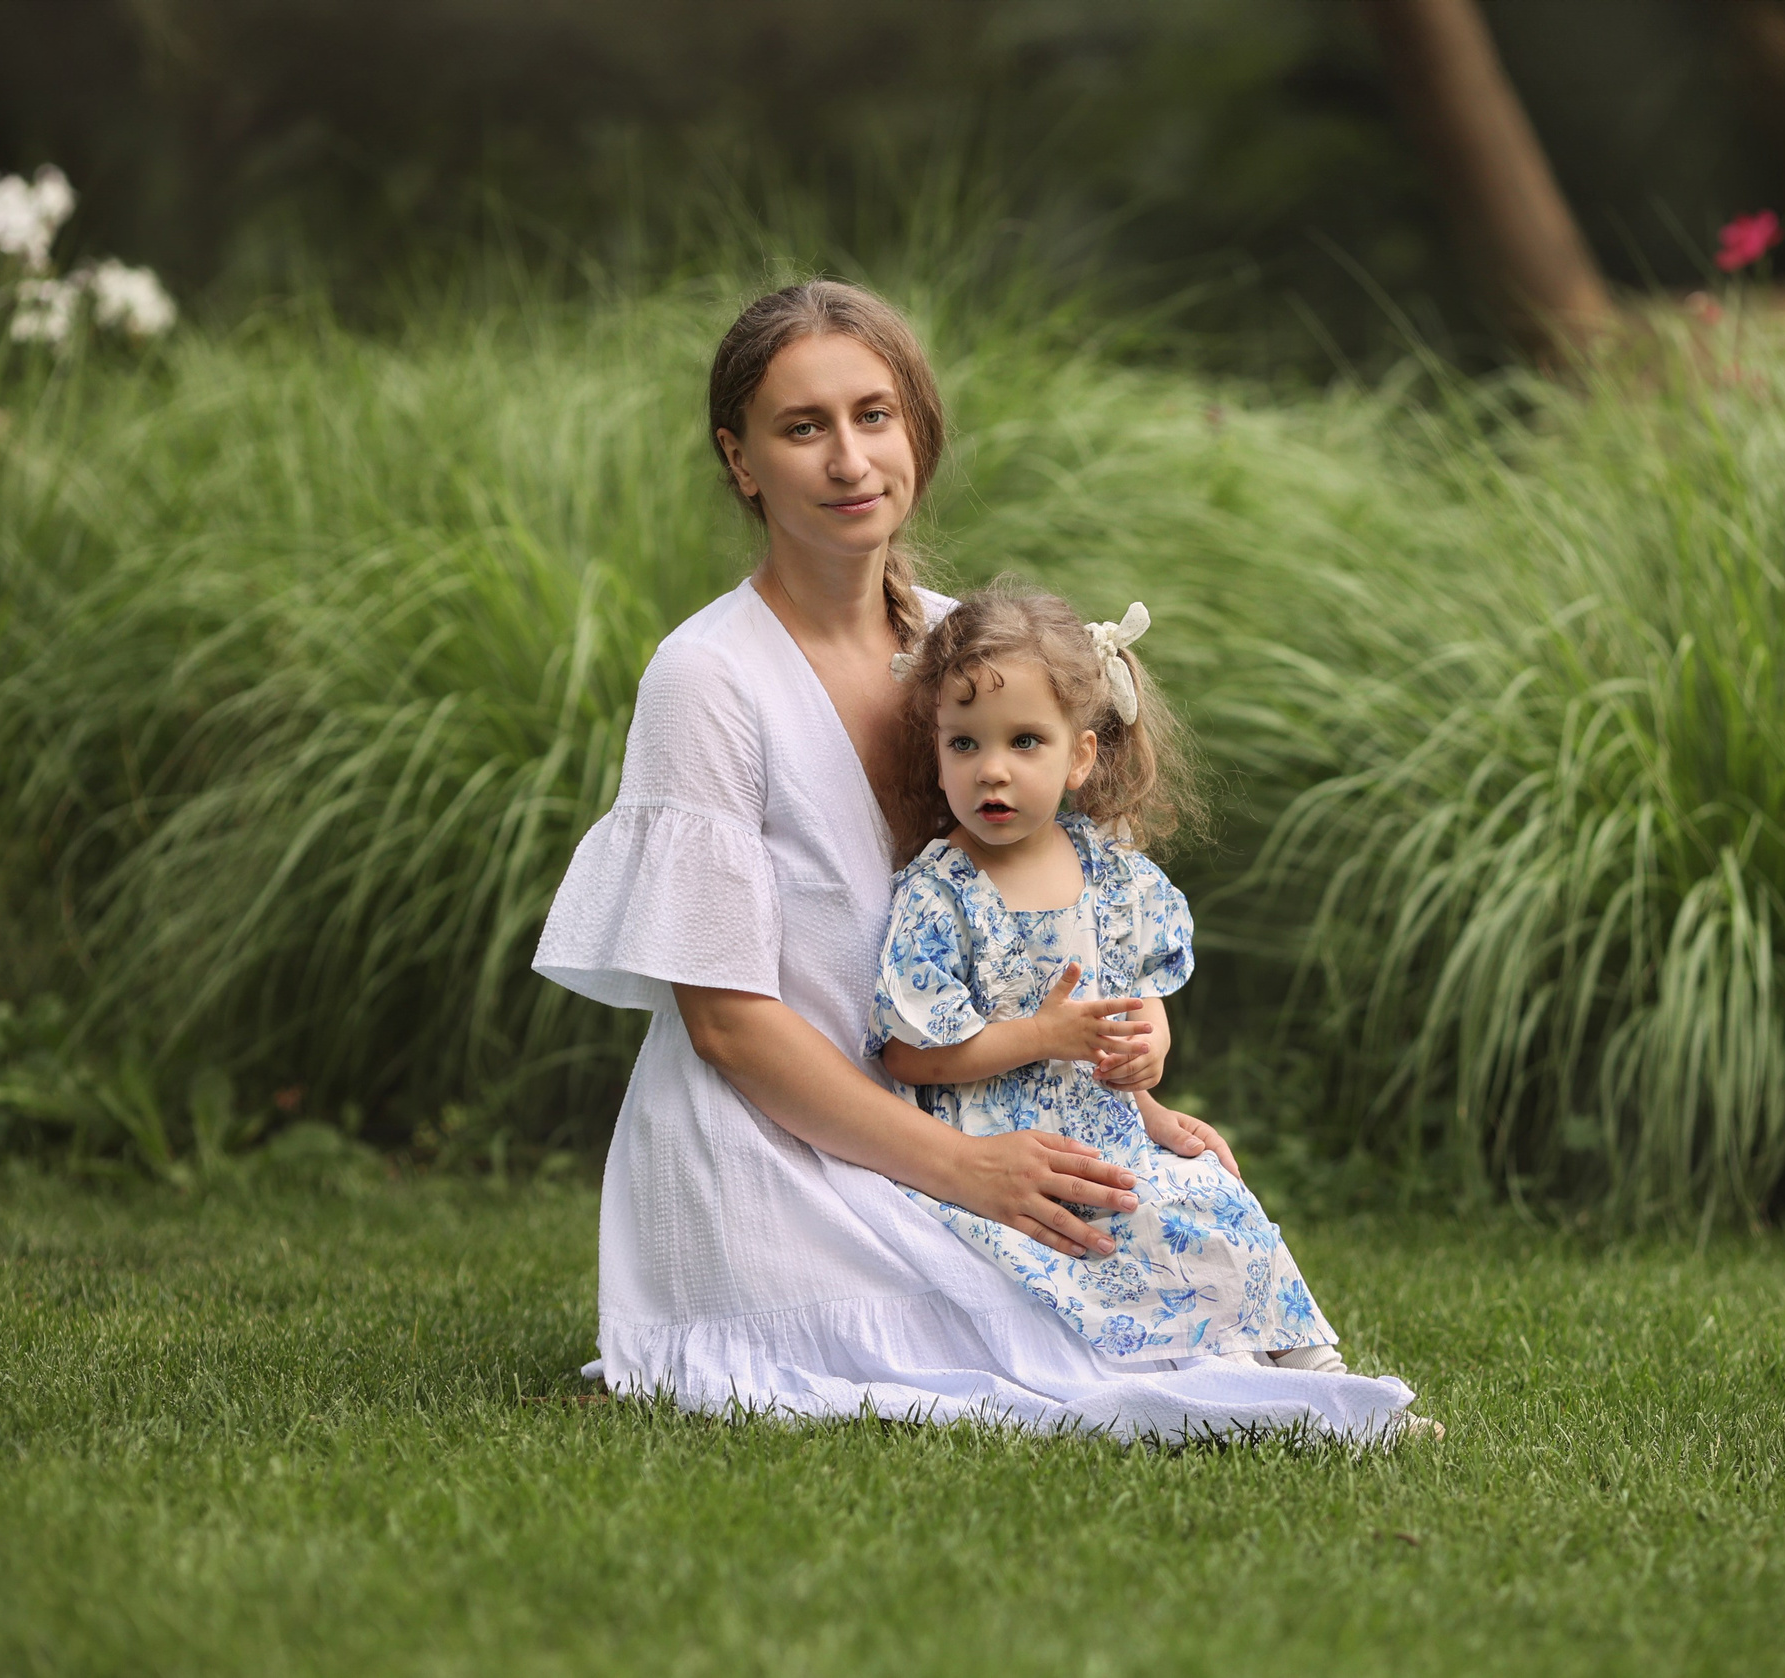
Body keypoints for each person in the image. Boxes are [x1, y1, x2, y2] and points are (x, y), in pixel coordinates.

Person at [531, 278, 1415, 1441]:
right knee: (1022, 1345)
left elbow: (1038, 919)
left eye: (873, 416)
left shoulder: (966, 655)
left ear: (917, 434)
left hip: (967, 1089)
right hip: (774, 1129)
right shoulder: (707, 677)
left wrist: (1133, 1101)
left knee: (1163, 1211)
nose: (849, 460)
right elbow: (728, 1025)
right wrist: (965, 1168)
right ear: (740, 460)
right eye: (803, 428)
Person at [870, 587, 1355, 1373]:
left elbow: (1135, 1008)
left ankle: (1312, 1371)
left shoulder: (1110, 877)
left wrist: (1149, 1076)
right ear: (938, 748)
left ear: (1080, 756)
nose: (992, 770)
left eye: (1025, 741)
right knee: (1138, 1221)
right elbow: (908, 1056)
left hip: (1109, 1129)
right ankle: (1216, 1371)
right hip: (999, 1150)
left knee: (1213, 1195)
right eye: (965, 744)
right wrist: (1040, 1037)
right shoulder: (940, 892)